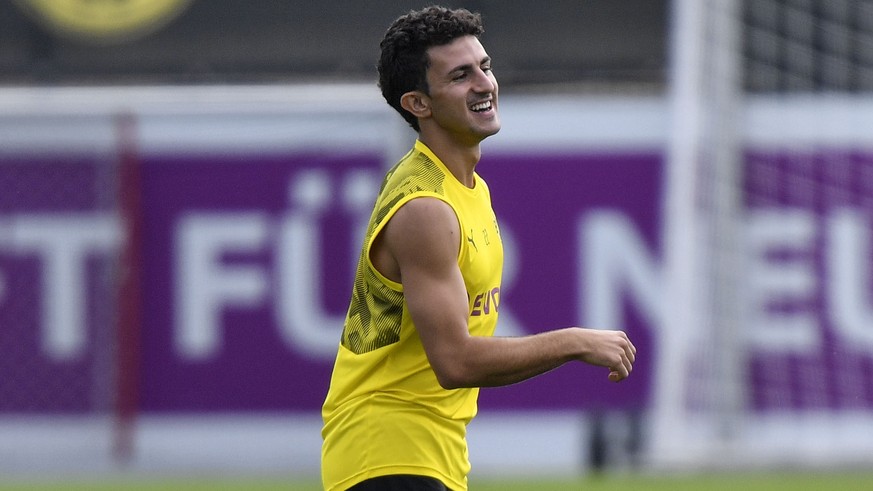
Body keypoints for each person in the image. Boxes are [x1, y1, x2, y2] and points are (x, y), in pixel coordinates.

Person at [321, 6, 636, 491]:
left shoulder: (464, 188)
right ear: (418, 103)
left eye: (485, 67)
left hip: (423, 454)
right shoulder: (425, 209)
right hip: (388, 453)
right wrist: (575, 341)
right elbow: (456, 362)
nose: (484, 84)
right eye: (460, 75)